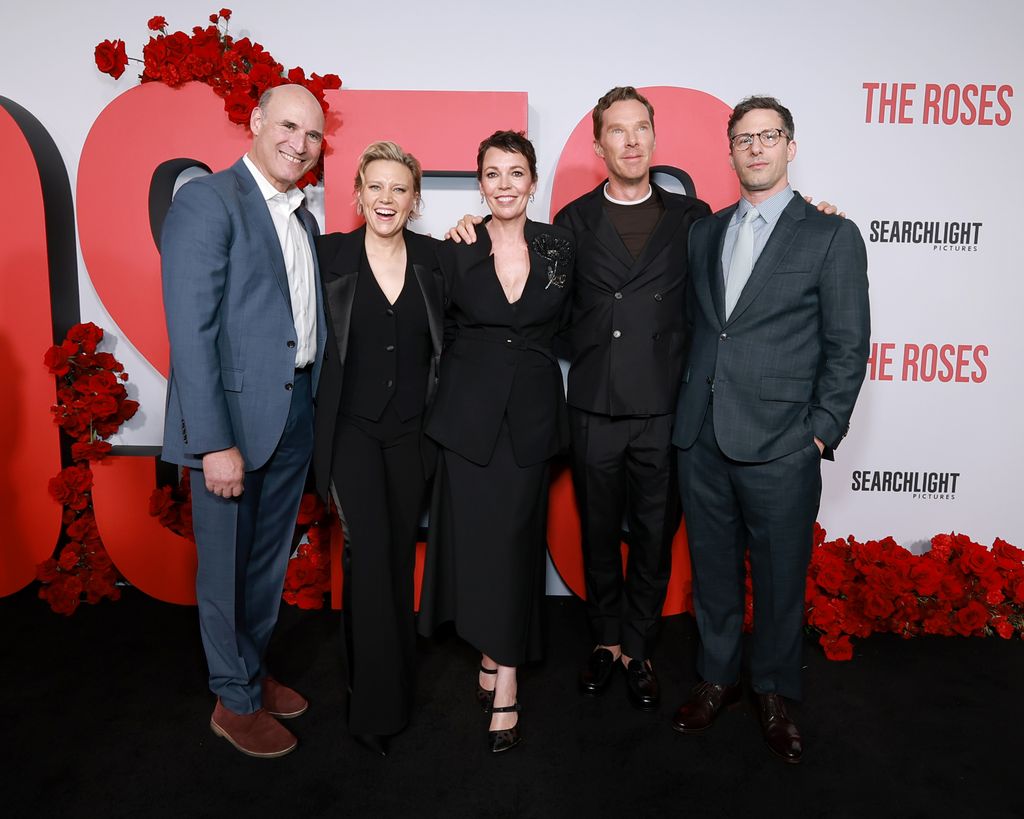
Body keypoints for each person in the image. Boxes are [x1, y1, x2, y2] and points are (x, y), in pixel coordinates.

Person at [671, 96, 870, 764]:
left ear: (790, 146)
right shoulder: (706, 231)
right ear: (730, 152)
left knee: (782, 576)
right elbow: (708, 328)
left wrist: (819, 431)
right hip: (702, 436)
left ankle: (775, 690)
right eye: (744, 138)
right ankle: (718, 677)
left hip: (783, 442)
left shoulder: (830, 236)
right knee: (714, 571)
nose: (756, 147)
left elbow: (848, 344)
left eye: (769, 135)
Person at [160, 84, 327, 758]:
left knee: (264, 562)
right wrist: (214, 443)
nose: (300, 143)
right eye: (289, 125)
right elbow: (191, 332)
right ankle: (232, 700)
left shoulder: (301, 217)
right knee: (226, 567)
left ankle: (251, 674)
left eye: (313, 134)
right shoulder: (209, 199)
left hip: (292, 414)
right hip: (229, 426)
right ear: (257, 122)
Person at [418, 130, 574, 753]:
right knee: (478, 545)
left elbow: (585, 318)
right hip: (467, 418)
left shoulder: (562, 246)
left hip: (531, 419)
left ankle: (506, 676)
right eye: (493, 173)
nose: (505, 184)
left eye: (516, 172)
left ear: (533, 182)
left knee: (515, 542)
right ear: (479, 183)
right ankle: (489, 650)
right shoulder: (455, 248)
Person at [311, 142, 445, 757]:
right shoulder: (328, 255)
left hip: (413, 433)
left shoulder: (439, 261)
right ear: (357, 194)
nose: (387, 199)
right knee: (366, 557)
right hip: (352, 432)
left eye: (399, 189)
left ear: (415, 201)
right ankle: (373, 703)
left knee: (394, 559)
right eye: (376, 187)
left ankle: (389, 678)